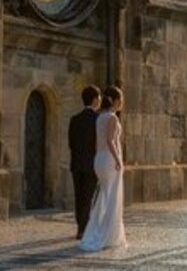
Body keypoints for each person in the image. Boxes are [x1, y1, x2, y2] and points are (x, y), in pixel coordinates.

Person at [79, 86, 127, 252]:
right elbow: (110, 141)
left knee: (104, 196)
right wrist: (118, 160)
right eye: (120, 100)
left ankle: (98, 230)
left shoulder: (99, 117)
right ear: (114, 101)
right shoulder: (112, 118)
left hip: (99, 159)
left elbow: (98, 141)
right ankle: (108, 234)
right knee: (111, 197)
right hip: (109, 159)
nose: (121, 103)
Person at [67, 85, 101, 240]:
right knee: (88, 196)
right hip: (91, 163)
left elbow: (71, 143)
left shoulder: (74, 119)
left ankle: (80, 227)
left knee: (79, 195)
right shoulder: (98, 119)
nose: (100, 101)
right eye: (99, 98)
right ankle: (83, 229)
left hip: (76, 163)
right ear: (95, 100)